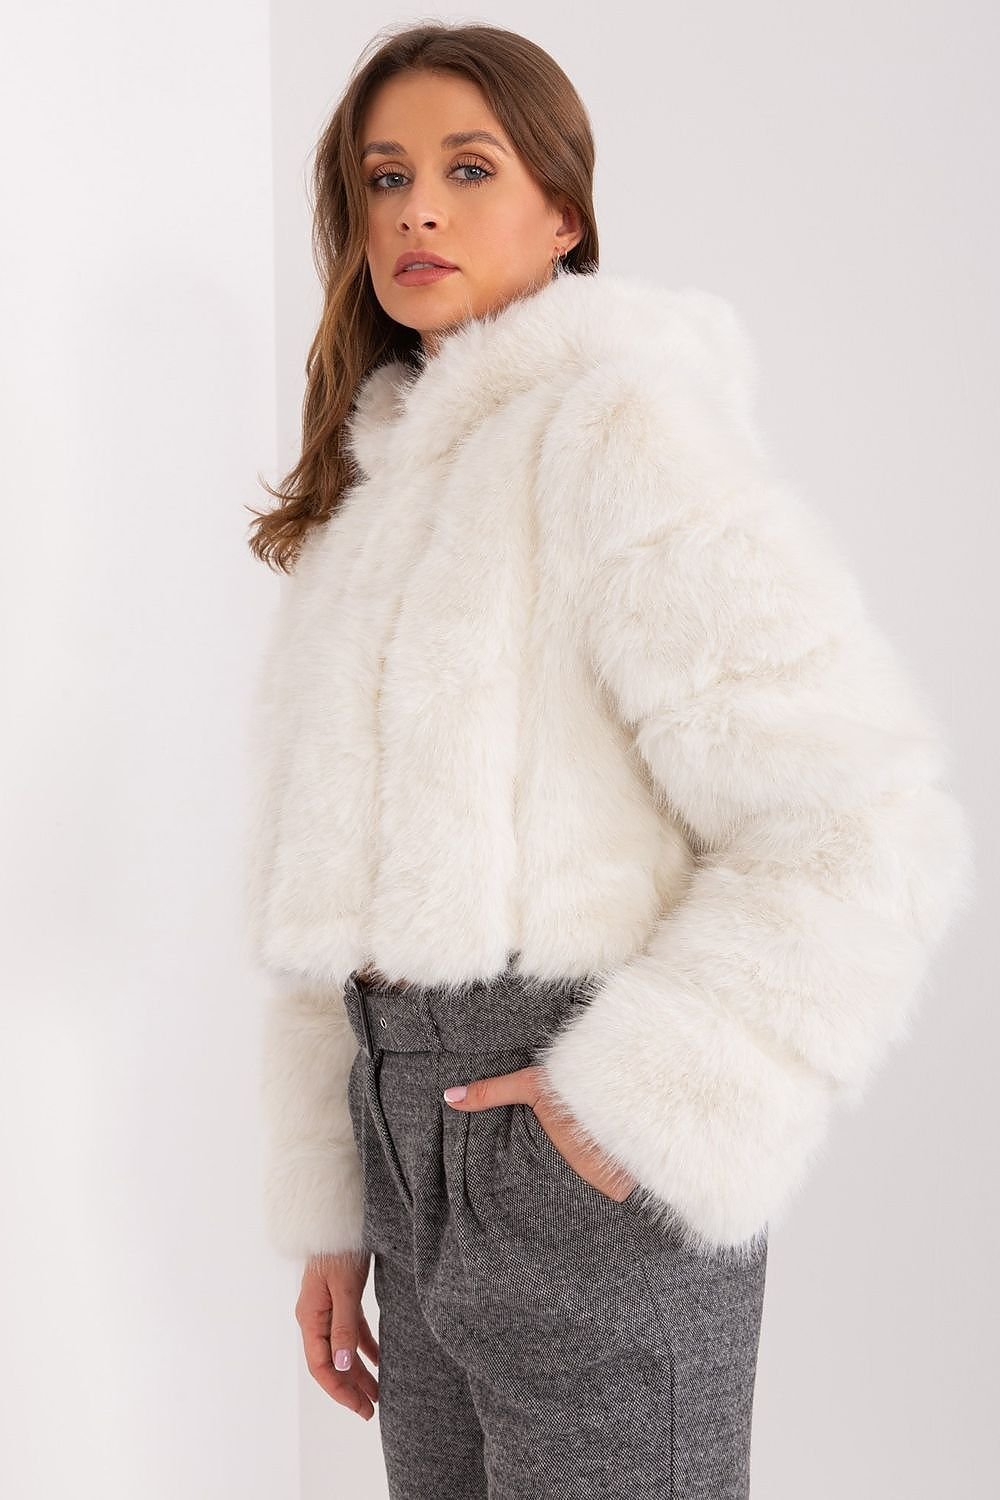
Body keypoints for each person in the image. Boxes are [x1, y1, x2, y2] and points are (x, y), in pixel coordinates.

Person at [243, 22, 973, 1500]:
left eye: (468, 169)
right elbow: (333, 900)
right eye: (385, 178)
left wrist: (644, 1096)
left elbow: (863, 819)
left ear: (563, 213)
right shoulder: (371, 508)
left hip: (573, 1119)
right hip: (400, 1137)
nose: (417, 211)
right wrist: (337, 1207)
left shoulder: (621, 432)